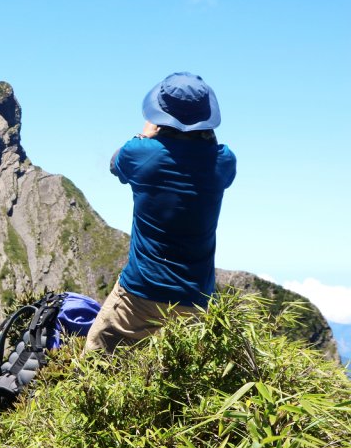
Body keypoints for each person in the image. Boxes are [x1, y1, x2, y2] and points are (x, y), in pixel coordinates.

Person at [85, 72, 237, 353]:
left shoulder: (140, 153)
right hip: (196, 299)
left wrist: (146, 135)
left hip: (140, 293)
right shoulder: (224, 161)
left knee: (97, 362)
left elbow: (114, 165)